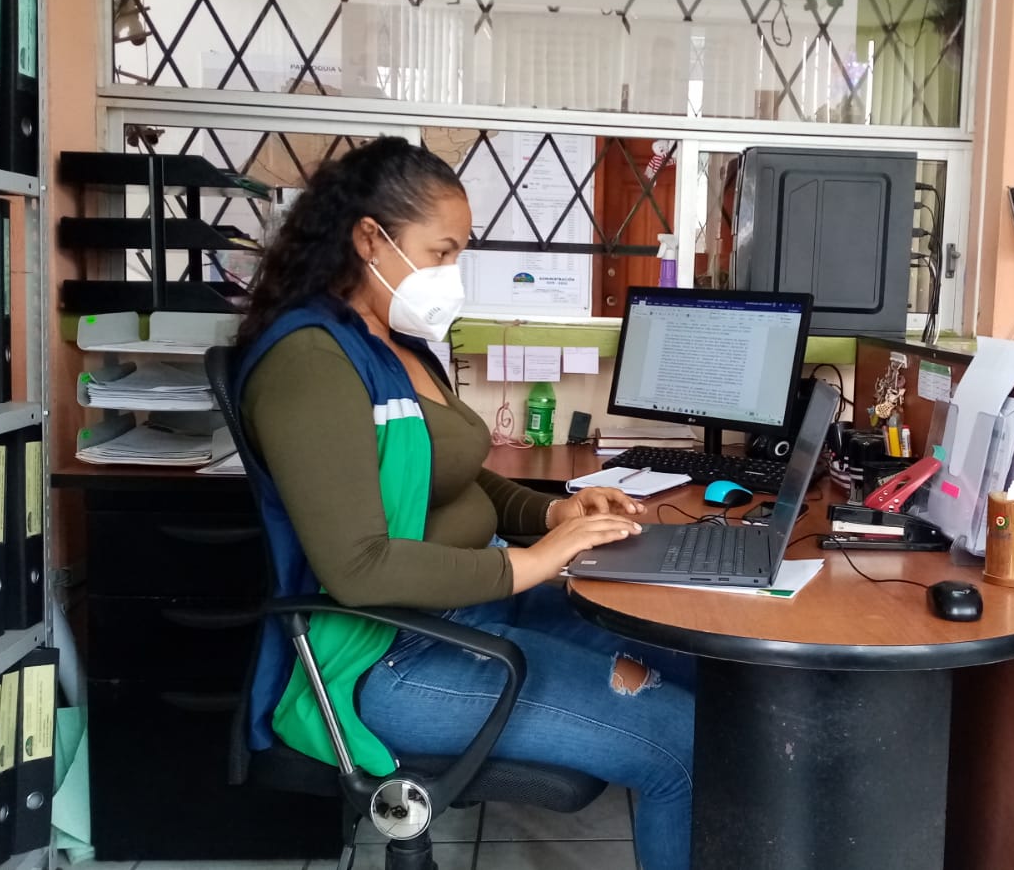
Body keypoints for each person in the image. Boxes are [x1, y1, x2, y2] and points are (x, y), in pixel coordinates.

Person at [232, 137, 695, 870]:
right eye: (440, 252)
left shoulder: (396, 345)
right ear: (369, 239)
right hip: (391, 653)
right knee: (679, 743)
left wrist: (552, 515)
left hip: (469, 611)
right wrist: (534, 564)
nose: (451, 274)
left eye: (459, 253)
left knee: (697, 663)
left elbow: (458, 474)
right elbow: (358, 568)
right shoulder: (311, 362)